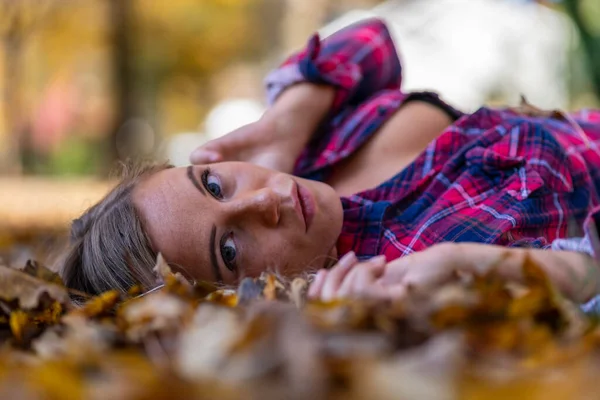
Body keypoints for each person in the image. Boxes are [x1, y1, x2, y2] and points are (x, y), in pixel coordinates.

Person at [60, 19, 600, 307]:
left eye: (215, 185)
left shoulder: (312, 151)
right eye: (229, 249)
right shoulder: (394, 277)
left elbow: (372, 41)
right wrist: (465, 270)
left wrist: (290, 118)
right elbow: (586, 283)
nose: (265, 201)